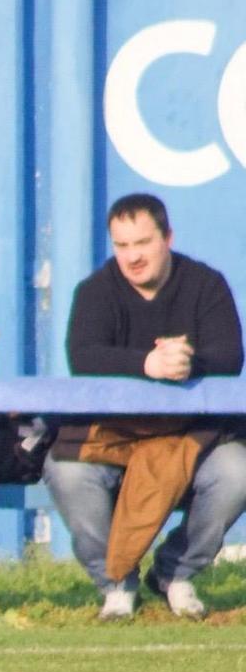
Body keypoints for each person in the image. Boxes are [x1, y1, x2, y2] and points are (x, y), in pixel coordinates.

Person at [43, 192, 246, 620]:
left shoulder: (205, 284)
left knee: (237, 470)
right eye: (122, 245)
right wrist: (147, 364)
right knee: (65, 470)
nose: (132, 256)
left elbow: (230, 356)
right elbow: (83, 356)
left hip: (194, 437)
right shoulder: (95, 291)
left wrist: (188, 361)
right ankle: (116, 584)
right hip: (113, 438)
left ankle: (175, 573)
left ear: (167, 237)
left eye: (142, 243)